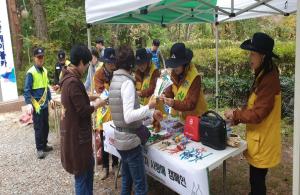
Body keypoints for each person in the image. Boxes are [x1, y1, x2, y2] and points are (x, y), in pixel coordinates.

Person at [224, 32, 281, 195]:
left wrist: (235, 114)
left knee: (257, 181)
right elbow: (253, 104)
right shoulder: (264, 74)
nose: (250, 57)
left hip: (264, 140)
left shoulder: (269, 79)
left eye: (253, 54)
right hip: (259, 138)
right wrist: (235, 117)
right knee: (255, 179)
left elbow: (257, 114)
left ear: (263, 56)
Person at [109, 45, 163, 195]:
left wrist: (150, 112)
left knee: (127, 180)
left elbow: (124, 114)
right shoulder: (126, 82)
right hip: (130, 141)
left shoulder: (115, 80)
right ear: (131, 64)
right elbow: (128, 116)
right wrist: (149, 107)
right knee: (140, 186)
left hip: (121, 137)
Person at [60, 44, 106, 195]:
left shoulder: (69, 78)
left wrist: (93, 96)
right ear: (80, 62)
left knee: (87, 170)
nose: (86, 67)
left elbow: (78, 100)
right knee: (81, 176)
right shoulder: (72, 82)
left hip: (78, 136)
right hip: (78, 138)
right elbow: (82, 110)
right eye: (86, 64)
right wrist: (97, 104)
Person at [161, 43, 207, 121]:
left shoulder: (194, 77)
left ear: (185, 63)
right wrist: (164, 96)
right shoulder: (173, 74)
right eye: (174, 64)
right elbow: (169, 93)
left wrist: (173, 103)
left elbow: (191, 104)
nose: (175, 67)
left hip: (198, 119)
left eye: (177, 64)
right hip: (183, 118)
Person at [24, 47, 54, 159]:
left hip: (45, 104)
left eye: (42, 57)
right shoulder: (31, 72)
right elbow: (27, 89)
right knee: (39, 127)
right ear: (34, 58)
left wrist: (50, 99)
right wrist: (28, 103)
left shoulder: (45, 71)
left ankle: (45, 144)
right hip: (36, 105)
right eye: (38, 57)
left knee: (46, 126)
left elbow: (47, 87)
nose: (41, 59)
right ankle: (39, 148)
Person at [93, 47, 119, 180]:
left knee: (114, 137)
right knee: (103, 140)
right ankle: (105, 167)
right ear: (105, 62)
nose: (112, 65)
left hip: (114, 110)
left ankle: (115, 164)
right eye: (110, 62)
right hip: (103, 111)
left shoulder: (117, 73)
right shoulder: (98, 74)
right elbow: (100, 92)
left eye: (113, 62)